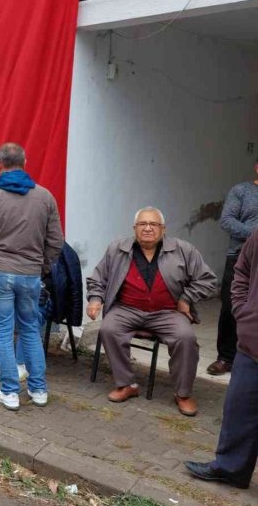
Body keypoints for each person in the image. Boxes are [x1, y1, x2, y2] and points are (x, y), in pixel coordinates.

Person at [86, 207, 216, 417]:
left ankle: (182, 393)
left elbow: (207, 280)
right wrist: (95, 299)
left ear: (163, 228)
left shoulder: (183, 249)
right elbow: (98, 278)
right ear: (134, 228)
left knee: (186, 337)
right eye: (142, 224)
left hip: (167, 311)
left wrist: (186, 299)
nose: (147, 228)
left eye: (153, 224)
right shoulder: (117, 249)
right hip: (127, 308)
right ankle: (127, 384)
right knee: (108, 329)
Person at [0, 143, 64, 411]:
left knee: (2, 331)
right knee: (30, 329)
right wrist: (41, 266)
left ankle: (9, 391)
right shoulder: (45, 197)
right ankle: (38, 388)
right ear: (25, 162)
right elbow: (56, 241)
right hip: (30, 273)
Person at [185, 226, 258, 489]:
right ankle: (231, 469)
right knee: (239, 411)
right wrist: (244, 310)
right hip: (252, 345)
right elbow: (243, 270)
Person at [211, 163, 258, 376]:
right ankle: (226, 358)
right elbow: (227, 220)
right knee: (231, 307)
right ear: (256, 167)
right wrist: (254, 238)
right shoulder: (241, 191)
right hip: (240, 256)